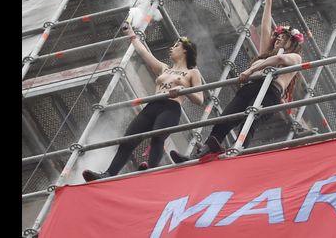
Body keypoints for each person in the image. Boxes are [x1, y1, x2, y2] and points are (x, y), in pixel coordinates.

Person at [82, 26, 203, 181]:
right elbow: (144, 52)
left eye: (176, 45)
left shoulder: (193, 73)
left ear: (185, 50)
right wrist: (131, 33)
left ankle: (150, 171)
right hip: (152, 105)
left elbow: (199, 99)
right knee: (128, 139)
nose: (171, 48)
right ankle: (108, 174)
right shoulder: (164, 68)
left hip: (171, 107)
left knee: (158, 136)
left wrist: (182, 90)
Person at [169, 26, 303, 162]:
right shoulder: (267, 56)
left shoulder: (295, 58)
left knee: (250, 120)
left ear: (293, 43)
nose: (279, 38)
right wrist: (268, 3)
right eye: (278, 36)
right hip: (250, 87)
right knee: (225, 118)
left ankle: (237, 151)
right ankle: (202, 152)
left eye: (284, 37)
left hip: (270, 91)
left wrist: (250, 70)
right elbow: (265, 25)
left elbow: (280, 59)